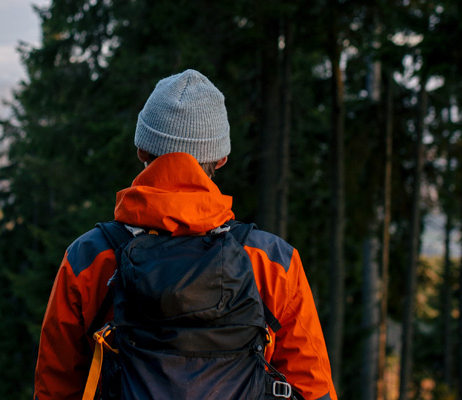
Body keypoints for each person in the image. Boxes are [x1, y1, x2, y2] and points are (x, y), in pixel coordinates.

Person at [34, 69, 337, 400]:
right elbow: (312, 389)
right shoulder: (272, 262)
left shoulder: (89, 259)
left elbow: (55, 388)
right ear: (221, 159)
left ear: (141, 151)